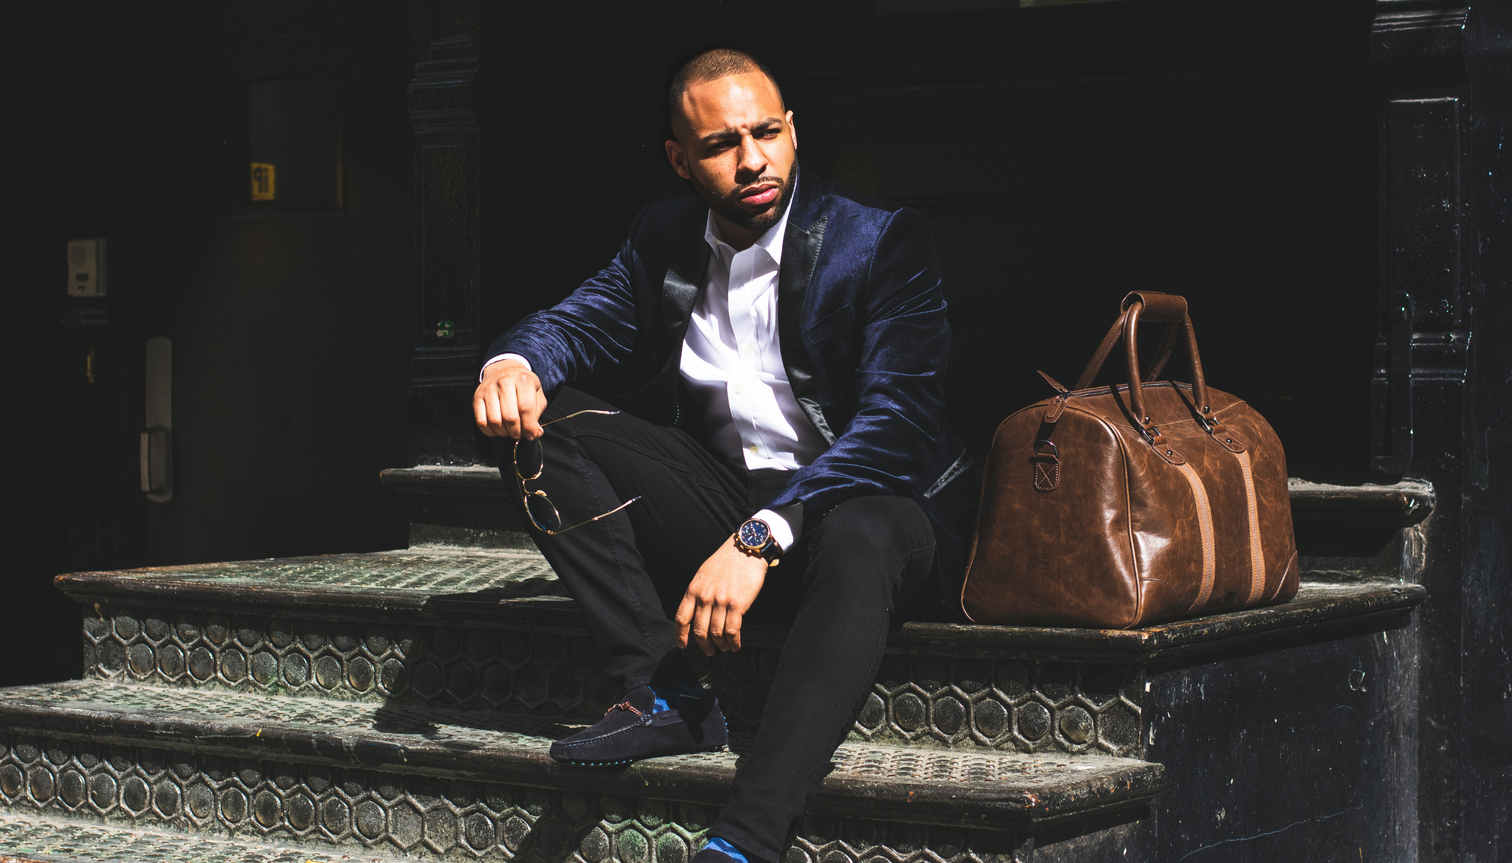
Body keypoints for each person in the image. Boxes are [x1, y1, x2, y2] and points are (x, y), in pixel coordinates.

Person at [472, 47, 978, 863]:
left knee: (863, 528)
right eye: (720, 145)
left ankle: (746, 839)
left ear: (792, 132)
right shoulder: (662, 237)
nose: (752, 160)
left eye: (766, 133)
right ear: (680, 160)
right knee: (538, 420)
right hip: (731, 501)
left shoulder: (878, 240)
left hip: (869, 507)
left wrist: (762, 534)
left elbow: (898, 426)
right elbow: (572, 324)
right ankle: (665, 692)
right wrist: (511, 365)